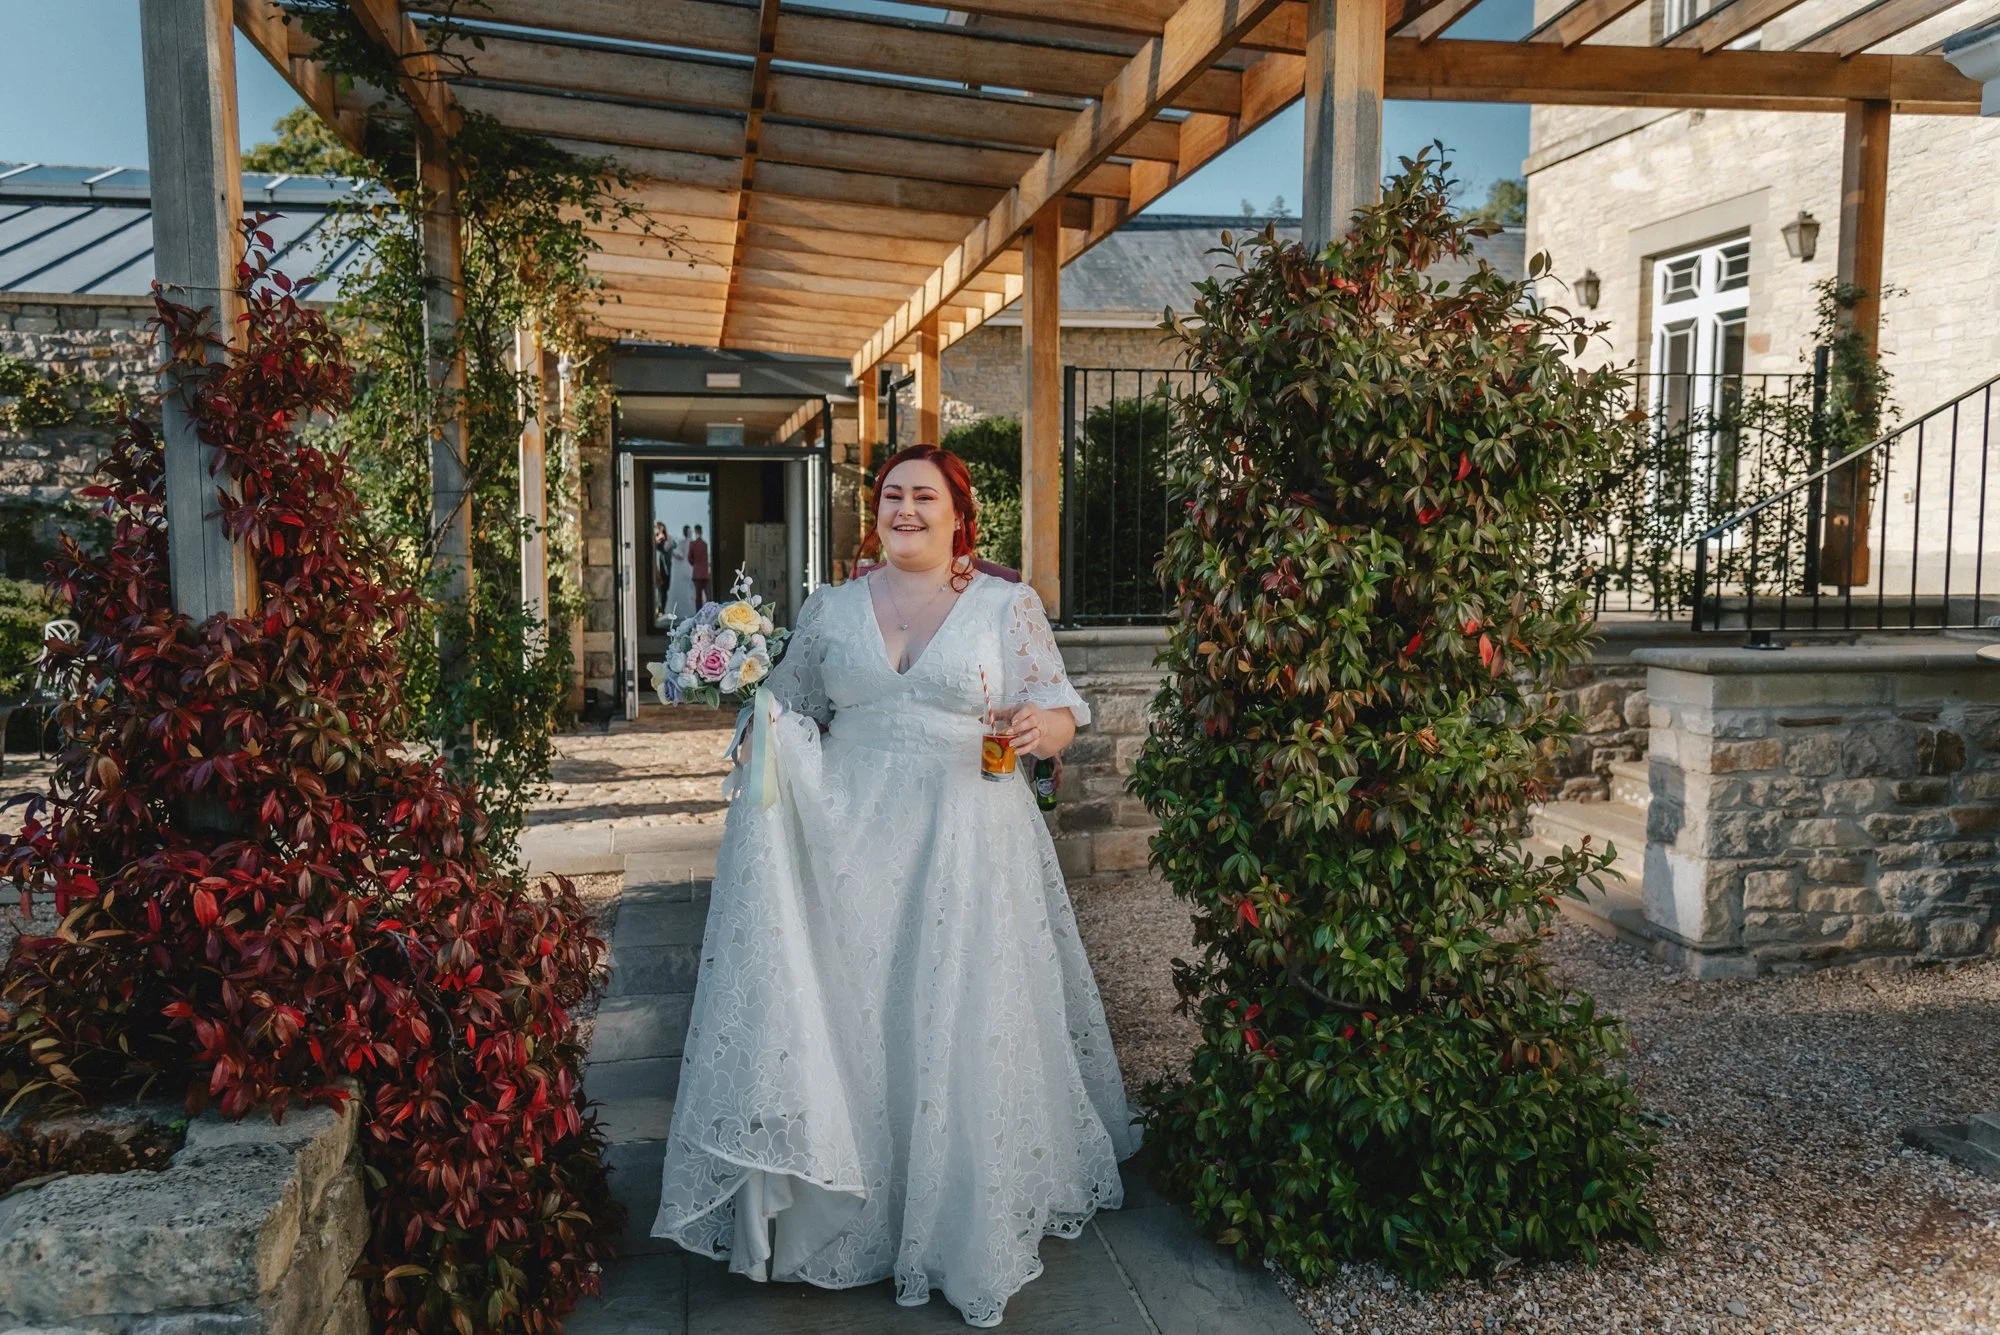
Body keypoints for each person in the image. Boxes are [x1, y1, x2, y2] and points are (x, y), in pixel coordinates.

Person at [652, 445, 1136, 1327]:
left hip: (969, 836)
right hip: (848, 836)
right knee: (856, 1014)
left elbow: (1065, 710)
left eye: (923, 496)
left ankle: (955, 1218)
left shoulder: (1004, 604)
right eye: (890, 496)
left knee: (953, 1015)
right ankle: (850, 1196)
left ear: (959, 513)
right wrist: (743, 695)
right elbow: (789, 706)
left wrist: (1042, 725)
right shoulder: (830, 608)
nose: (903, 509)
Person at [668, 527, 697, 622]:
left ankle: (682, 611)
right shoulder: (692, 543)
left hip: (683, 567)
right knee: (688, 589)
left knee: (682, 588)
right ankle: (691, 610)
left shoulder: (682, 542)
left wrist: (672, 553)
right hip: (689, 567)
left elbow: (681, 556)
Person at [652, 523, 674, 625]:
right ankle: (658, 609)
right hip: (657, 566)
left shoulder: (667, 540)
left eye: (661, 528)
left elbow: (669, 547)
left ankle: (662, 609)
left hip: (665, 568)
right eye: (658, 528)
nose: (659, 530)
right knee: (657, 589)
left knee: (664, 589)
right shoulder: (655, 539)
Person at [688, 524, 711, 605]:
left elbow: (690, 558)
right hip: (705, 573)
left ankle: (699, 613)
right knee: (708, 594)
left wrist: (695, 563)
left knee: (698, 596)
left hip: (697, 573)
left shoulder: (693, 544)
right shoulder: (705, 544)